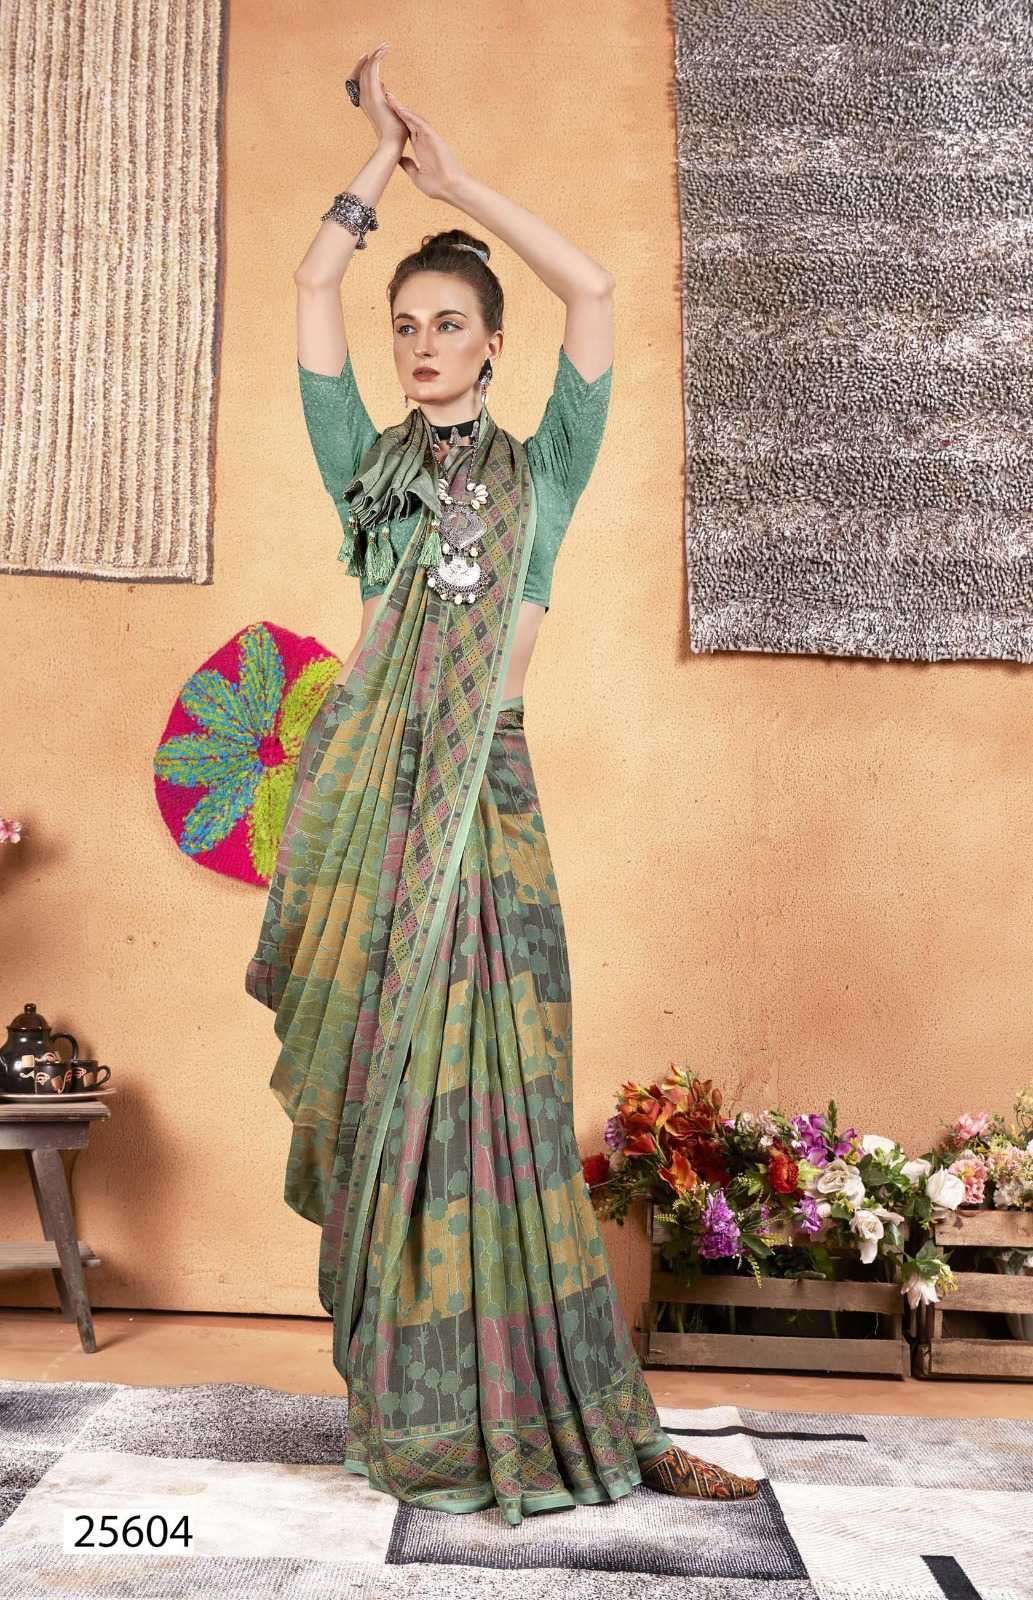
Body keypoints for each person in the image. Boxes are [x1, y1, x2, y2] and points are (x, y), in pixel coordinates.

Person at [245, 43, 758, 1524]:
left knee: (514, 1110)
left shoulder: (549, 470)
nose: (419, 344)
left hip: (494, 804)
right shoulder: (367, 474)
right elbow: (309, 290)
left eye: (447, 324)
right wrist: (373, 164)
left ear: (489, 345)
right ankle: (414, 1407)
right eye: (405, 325)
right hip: (382, 818)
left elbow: (593, 290)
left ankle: (586, 1412)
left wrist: (458, 183)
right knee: (393, 1104)